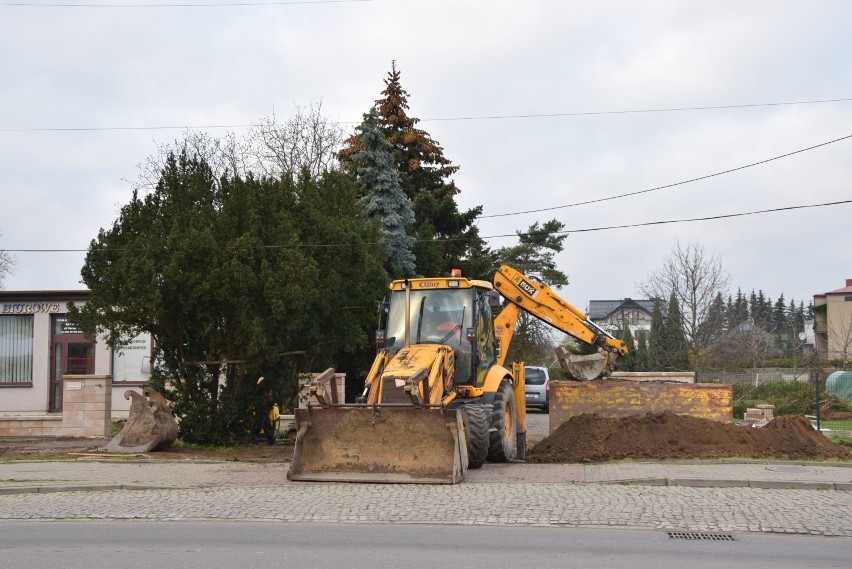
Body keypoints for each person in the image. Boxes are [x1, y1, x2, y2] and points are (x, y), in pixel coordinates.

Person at [251, 376, 278, 445]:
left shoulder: (265, 386)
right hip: (261, 408)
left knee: (266, 424)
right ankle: (254, 438)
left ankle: (271, 440)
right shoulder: (261, 389)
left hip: (264, 408)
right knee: (260, 424)